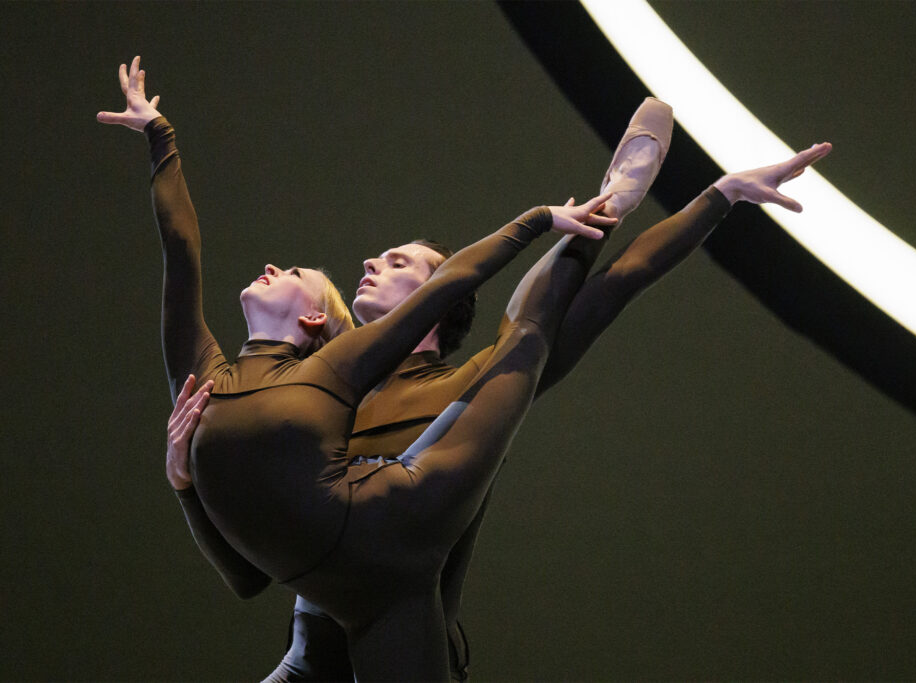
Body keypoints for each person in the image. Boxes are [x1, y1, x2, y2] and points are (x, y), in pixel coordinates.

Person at [163, 90, 833, 680]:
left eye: (399, 261)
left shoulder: (482, 379)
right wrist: (190, 486)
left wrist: (722, 197)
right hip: (315, 654)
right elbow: (248, 573)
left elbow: (617, 283)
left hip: (407, 639)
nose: (370, 260)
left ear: (438, 293)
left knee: (529, 332)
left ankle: (611, 202)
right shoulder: (323, 390)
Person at [97, 55, 618, 681]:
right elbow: (246, 577)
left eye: (293, 273)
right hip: (318, 635)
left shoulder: (351, 372)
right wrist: (184, 485)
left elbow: (478, 298)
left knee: (525, 345)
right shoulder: (233, 383)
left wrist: (547, 222)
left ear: (316, 320)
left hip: (392, 598)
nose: (272, 266)